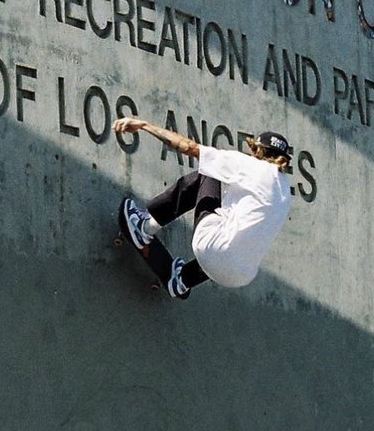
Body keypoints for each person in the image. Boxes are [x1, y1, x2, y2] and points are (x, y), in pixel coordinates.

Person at [113, 116, 293, 300]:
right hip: (240, 275)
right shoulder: (285, 192)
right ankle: (183, 280)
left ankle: (144, 227)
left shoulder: (252, 166)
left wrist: (145, 125)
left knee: (208, 174)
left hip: (212, 249)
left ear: (258, 150)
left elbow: (188, 147)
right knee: (235, 226)